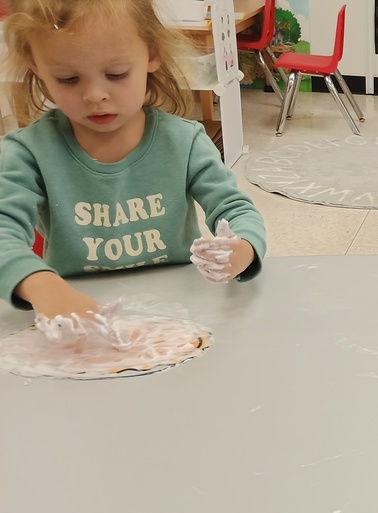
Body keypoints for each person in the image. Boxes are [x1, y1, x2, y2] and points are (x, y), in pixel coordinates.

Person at [0, 0, 267, 342]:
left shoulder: (184, 141)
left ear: (152, 54)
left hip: (181, 313)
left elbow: (235, 209)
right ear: (36, 66)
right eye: (67, 79)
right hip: (79, 320)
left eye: (116, 74)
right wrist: (42, 286)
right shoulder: (27, 152)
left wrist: (241, 248)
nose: (95, 95)